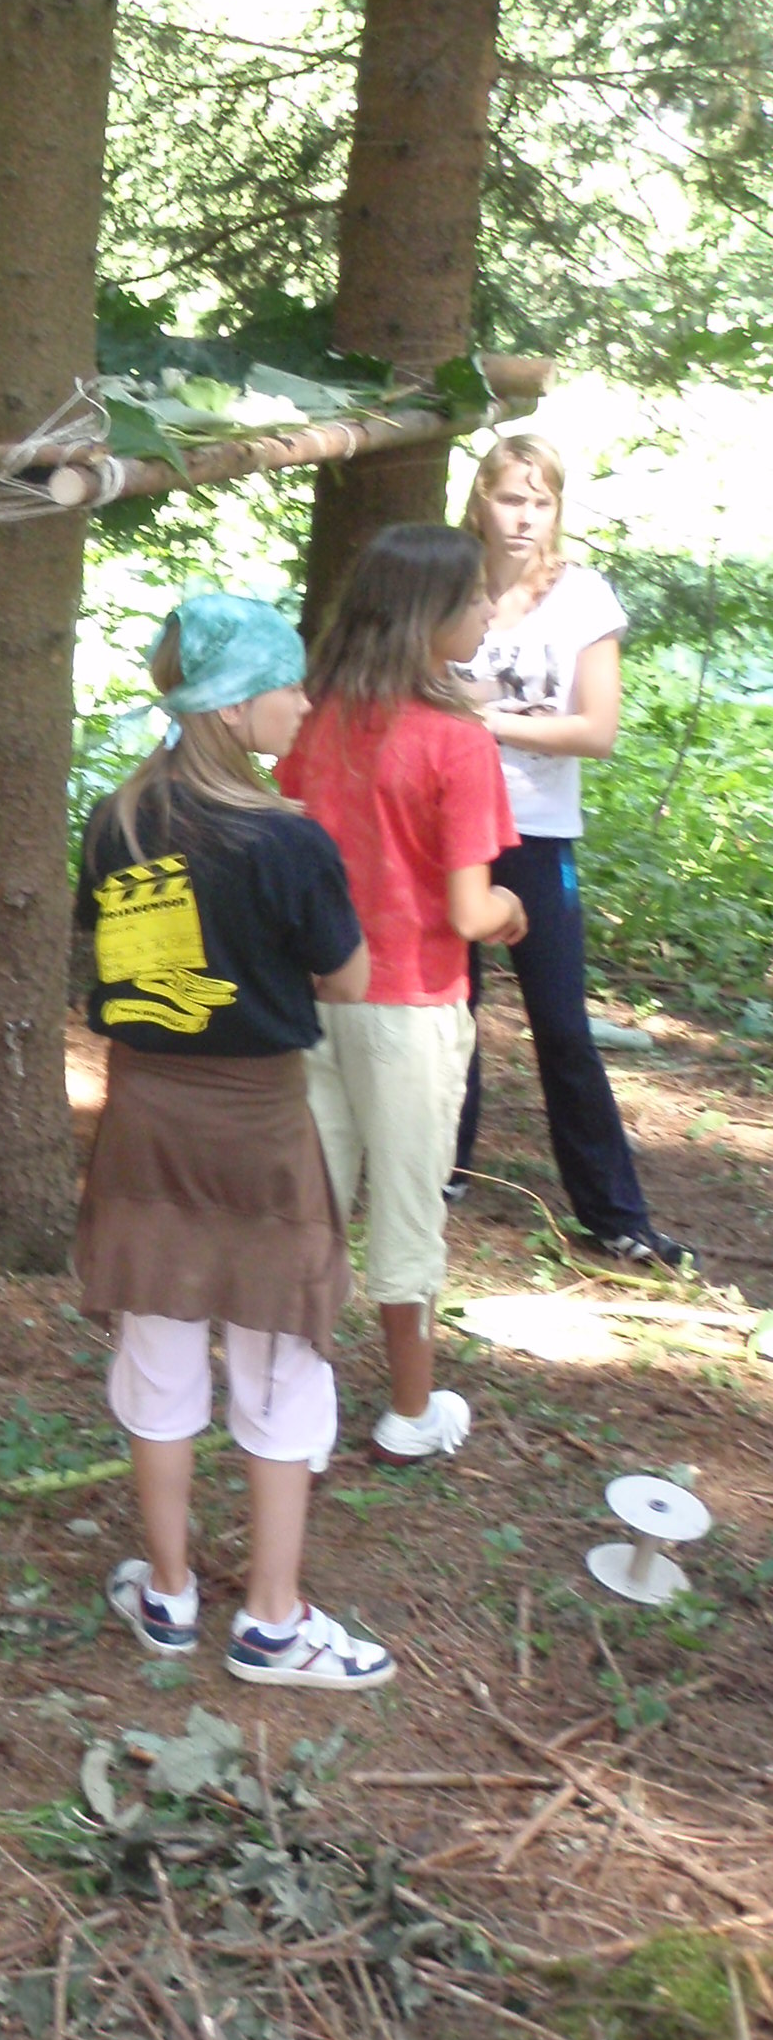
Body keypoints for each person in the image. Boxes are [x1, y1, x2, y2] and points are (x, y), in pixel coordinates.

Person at [75, 594, 393, 1691]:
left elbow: (128, 974)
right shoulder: (288, 840)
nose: (304, 704)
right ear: (232, 703)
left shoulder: (117, 824)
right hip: (257, 1129)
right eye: (287, 685)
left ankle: (168, 1595)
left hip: (146, 1124)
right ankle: (271, 1622)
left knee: (156, 1352)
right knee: (279, 1360)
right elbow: (347, 979)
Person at [280, 525, 526, 1463]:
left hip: (312, 997)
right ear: (430, 618)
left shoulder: (316, 719)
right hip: (412, 1008)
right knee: (409, 1209)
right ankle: (411, 1412)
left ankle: (291, 1416)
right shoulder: (458, 741)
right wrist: (510, 910)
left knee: (311, 1206)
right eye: (475, 598)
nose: (490, 609)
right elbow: (468, 909)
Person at [449, 436, 696, 1269]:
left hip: (536, 829)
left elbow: (597, 730)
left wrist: (487, 722)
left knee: (560, 1024)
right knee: (448, 1008)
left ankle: (616, 1214)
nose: (524, 517)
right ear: (480, 500)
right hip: (443, 825)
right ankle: (440, 1171)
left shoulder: (581, 596)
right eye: (510, 498)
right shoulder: (449, 583)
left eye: (541, 501)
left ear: (556, 509)